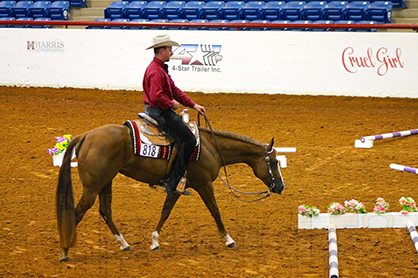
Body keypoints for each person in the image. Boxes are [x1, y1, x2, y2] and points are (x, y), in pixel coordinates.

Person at [143, 35, 206, 196]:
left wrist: (193, 104)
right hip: (160, 113)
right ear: (162, 51)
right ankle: (174, 181)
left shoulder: (158, 68)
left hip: (157, 110)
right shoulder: (157, 71)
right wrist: (172, 104)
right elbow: (157, 97)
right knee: (189, 140)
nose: (172, 53)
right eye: (170, 50)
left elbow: (174, 89)